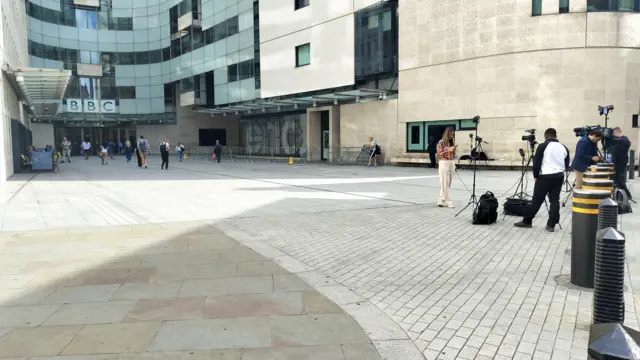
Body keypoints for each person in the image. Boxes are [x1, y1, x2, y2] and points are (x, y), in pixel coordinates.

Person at [515, 128, 570, 232]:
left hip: (545, 176)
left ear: (546, 136)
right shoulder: (564, 147)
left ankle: (527, 221)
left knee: (537, 200)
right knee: (554, 200)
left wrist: (535, 176)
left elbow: (537, 163)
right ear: (555, 135)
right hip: (559, 176)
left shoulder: (543, 146)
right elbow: (566, 164)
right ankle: (551, 224)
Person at [436, 127, 457, 208]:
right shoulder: (441, 142)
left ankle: (441, 199)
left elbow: (453, 154)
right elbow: (439, 154)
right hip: (444, 162)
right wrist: (449, 149)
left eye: (453, 134)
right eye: (451, 134)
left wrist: (453, 151)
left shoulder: (451, 142)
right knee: (444, 182)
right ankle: (448, 200)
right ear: (447, 133)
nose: (452, 135)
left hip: (451, 162)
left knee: (447, 182)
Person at [611, 127, 632, 200]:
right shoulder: (618, 141)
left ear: (617, 132)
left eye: (614, 134)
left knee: (620, 180)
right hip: (616, 163)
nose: (613, 135)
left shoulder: (624, 139)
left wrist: (613, 139)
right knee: (617, 179)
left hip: (621, 163)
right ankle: (620, 194)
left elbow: (625, 142)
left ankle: (628, 195)